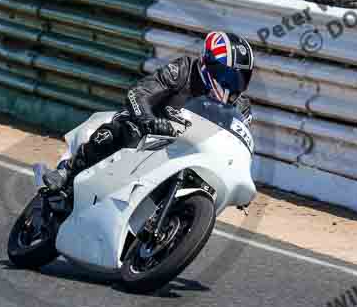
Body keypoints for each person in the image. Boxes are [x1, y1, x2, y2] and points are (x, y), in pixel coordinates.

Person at [43, 31, 254, 192]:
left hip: (189, 153)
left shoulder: (241, 108)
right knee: (120, 130)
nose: (232, 84)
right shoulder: (183, 70)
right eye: (226, 75)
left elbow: (237, 150)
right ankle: (67, 171)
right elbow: (138, 93)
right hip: (150, 132)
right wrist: (149, 120)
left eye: (239, 78)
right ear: (208, 63)